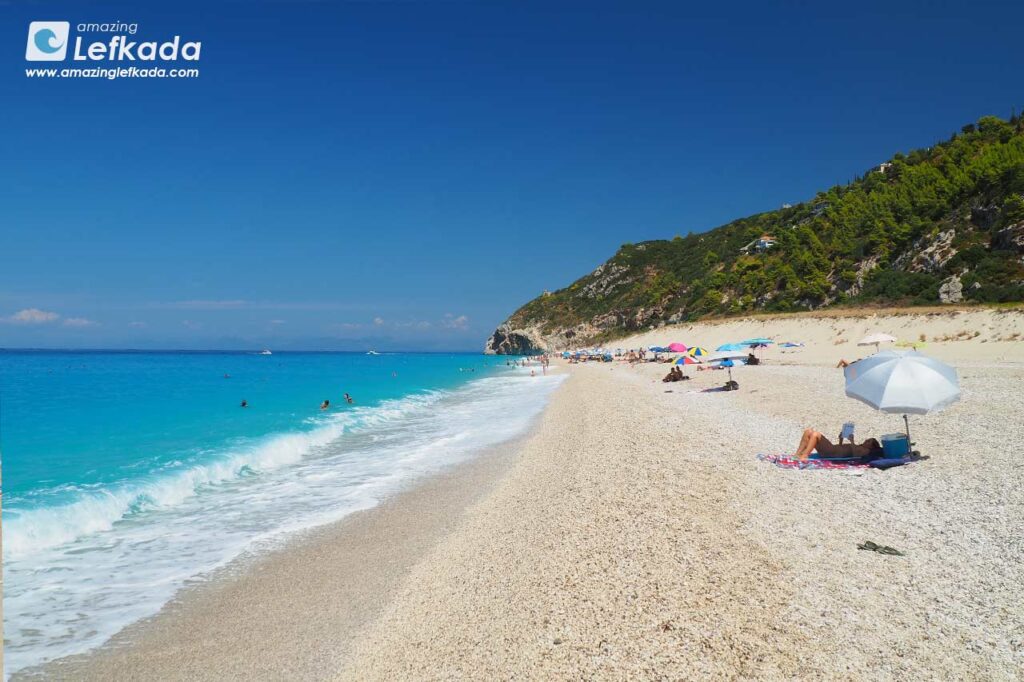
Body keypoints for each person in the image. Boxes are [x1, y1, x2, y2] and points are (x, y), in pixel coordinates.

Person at [793, 428, 882, 461]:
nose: (866, 441)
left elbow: (855, 455)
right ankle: (798, 454)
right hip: (833, 450)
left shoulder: (866, 451)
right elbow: (843, 450)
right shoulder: (860, 446)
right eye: (867, 440)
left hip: (831, 452)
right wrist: (841, 439)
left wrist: (851, 441)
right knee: (808, 431)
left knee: (815, 434)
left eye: (869, 441)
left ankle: (804, 455)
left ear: (872, 446)